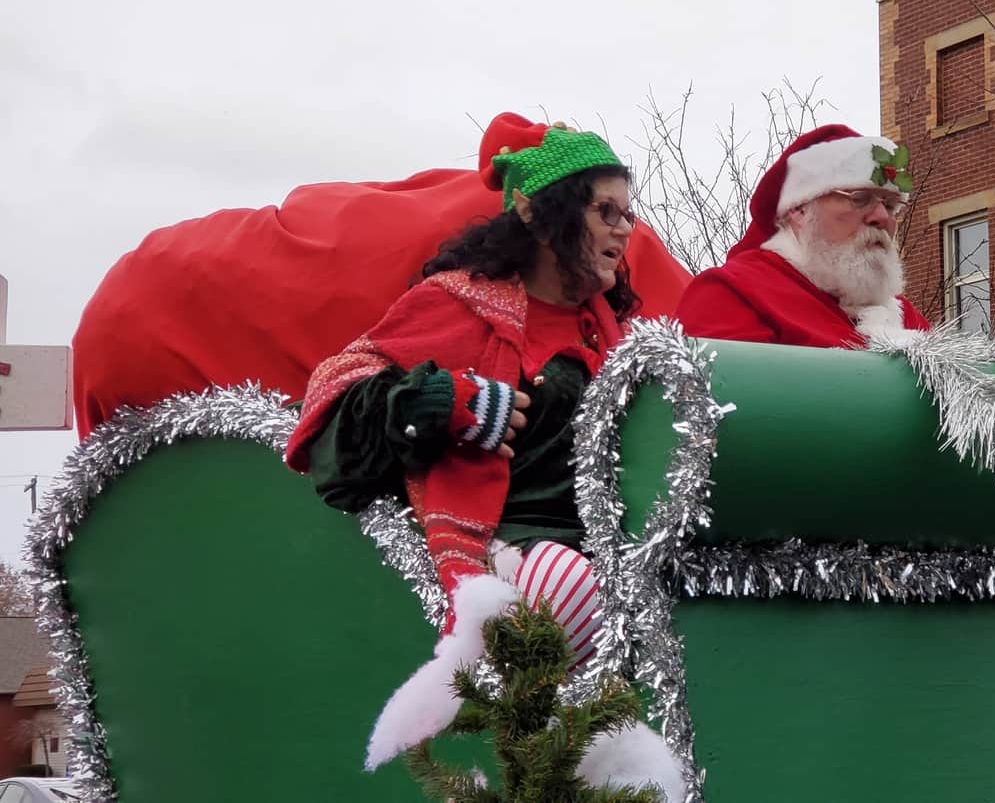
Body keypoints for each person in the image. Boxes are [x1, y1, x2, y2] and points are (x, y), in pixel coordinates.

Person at [285, 112, 635, 664]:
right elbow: (332, 408)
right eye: (605, 211)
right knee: (568, 586)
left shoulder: (619, 339)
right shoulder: (456, 303)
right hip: (508, 549)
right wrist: (436, 403)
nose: (624, 229)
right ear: (537, 215)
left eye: (627, 214)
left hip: (617, 552)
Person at [675, 124, 932, 346]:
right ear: (799, 210)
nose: (882, 217)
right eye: (860, 199)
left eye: (890, 205)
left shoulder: (905, 316)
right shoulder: (733, 294)